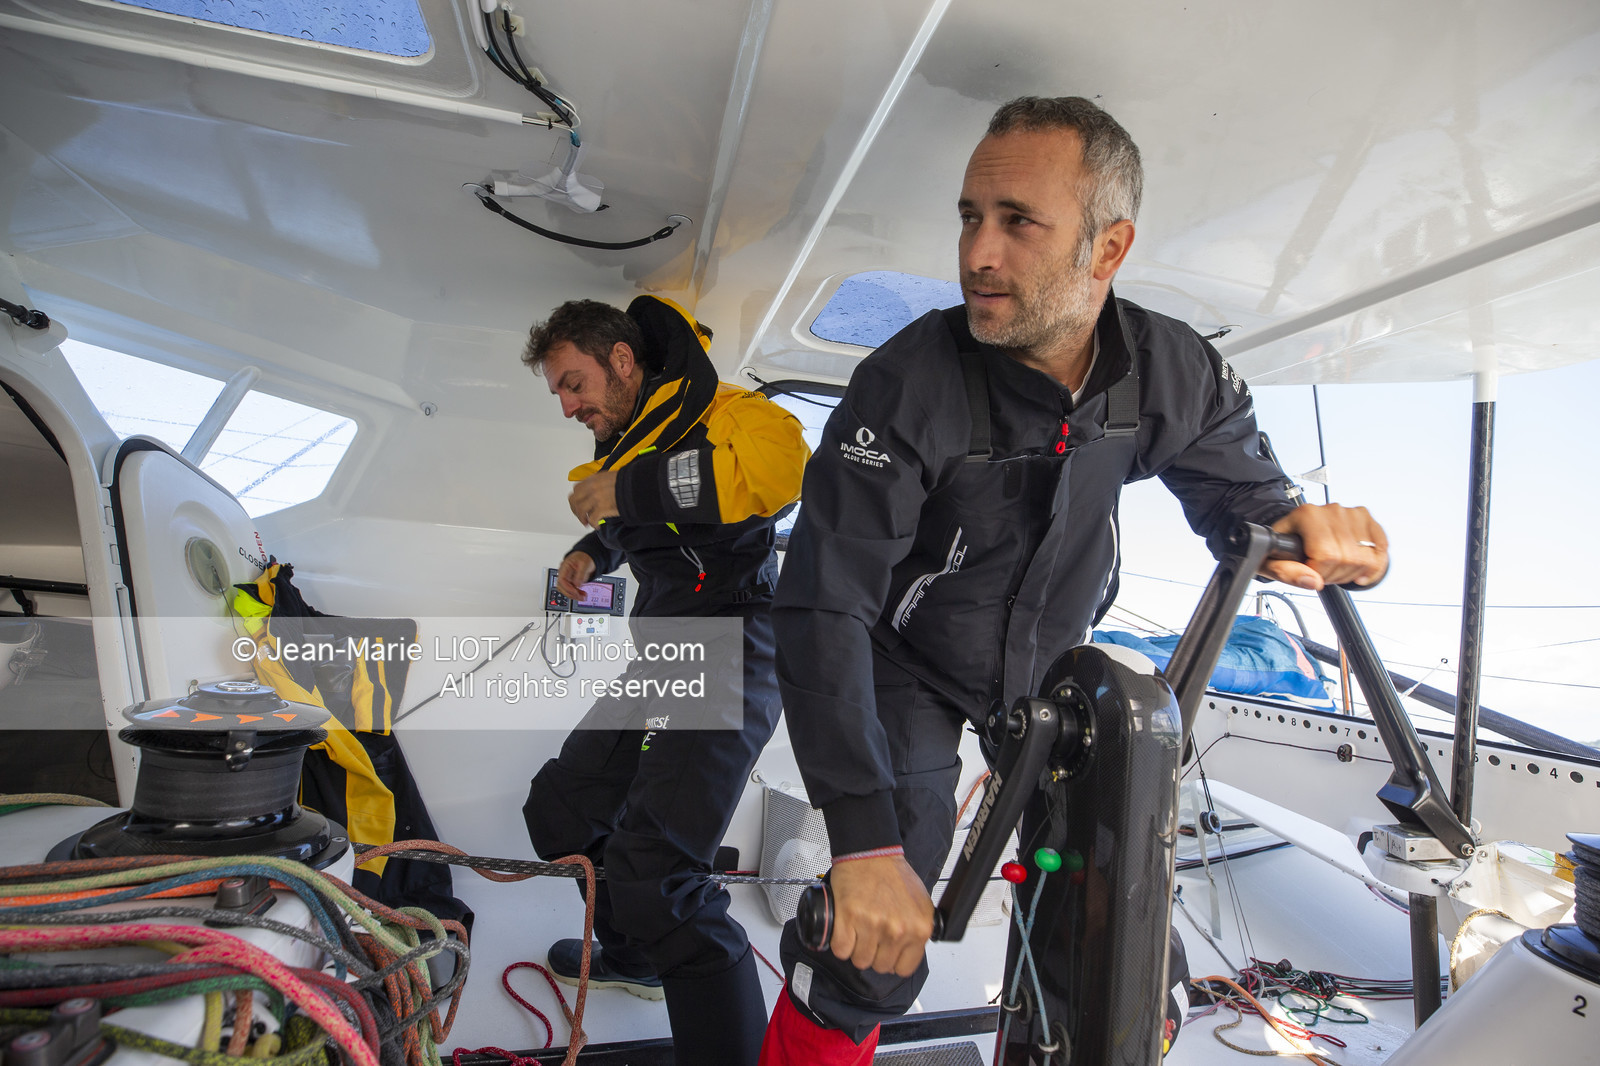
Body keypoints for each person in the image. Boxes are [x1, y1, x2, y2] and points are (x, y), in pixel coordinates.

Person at [757, 96, 1389, 1064]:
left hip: (1052, 664)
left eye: (1017, 222)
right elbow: (822, 598)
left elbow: (1247, 505)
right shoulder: (906, 381)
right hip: (905, 661)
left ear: (1107, 248)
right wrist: (864, 846)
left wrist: (1311, 529)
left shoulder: (1169, 372)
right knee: (872, 934)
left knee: (1120, 937)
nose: (977, 252)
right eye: (971, 216)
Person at [519, 296, 809, 1065]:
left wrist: (623, 495)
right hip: (669, 653)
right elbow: (639, 521)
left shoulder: (728, 412)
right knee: (561, 807)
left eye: (573, 383)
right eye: (558, 393)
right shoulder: (627, 443)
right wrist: (595, 549)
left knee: (660, 874)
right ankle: (638, 956)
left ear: (622, 362)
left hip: (738, 641)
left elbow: (778, 475)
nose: (568, 405)